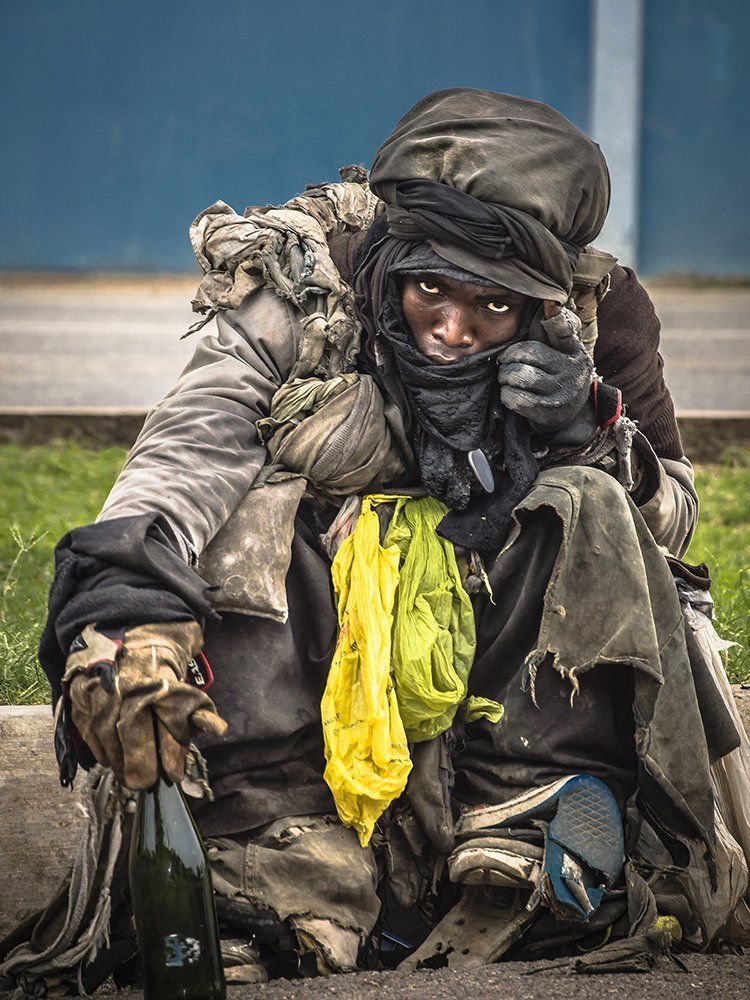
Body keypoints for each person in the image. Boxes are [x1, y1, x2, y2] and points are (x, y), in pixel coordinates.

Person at [3, 90, 746, 990]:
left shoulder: (601, 312)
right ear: (392, 260)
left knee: (588, 499)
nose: (451, 329)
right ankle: (276, 865)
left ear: (543, 302)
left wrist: (593, 430)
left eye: (493, 306)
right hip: (310, 621)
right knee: (250, 510)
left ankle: (530, 825)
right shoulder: (305, 282)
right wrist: (126, 610)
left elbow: (675, 516)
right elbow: (187, 450)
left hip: (509, 642)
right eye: (430, 285)